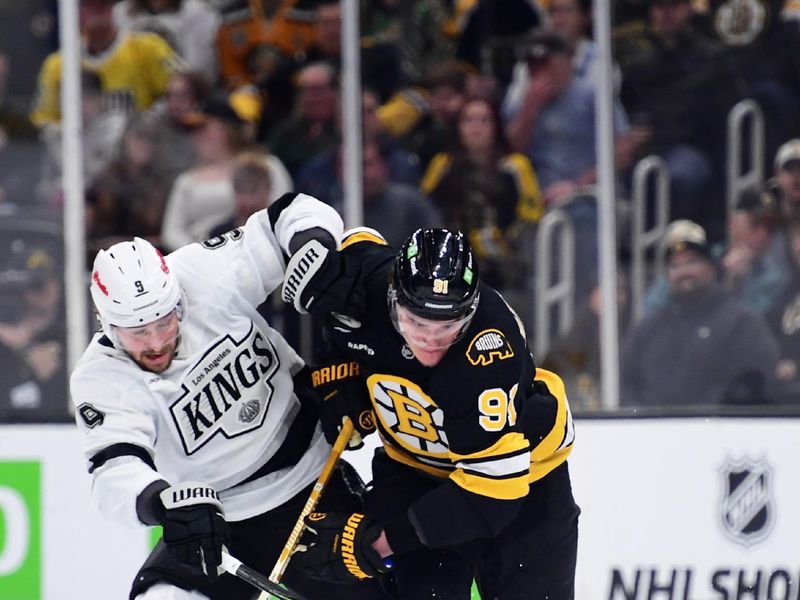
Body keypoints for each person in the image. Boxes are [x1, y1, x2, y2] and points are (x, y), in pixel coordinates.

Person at [69, 192, 390, 600]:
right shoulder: (100, 377)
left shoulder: (202, 272)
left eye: (164, 321)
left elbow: (287, 216)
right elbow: (113, 470)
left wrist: (315, 249)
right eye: (137, 331)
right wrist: (164, 504)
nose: (155, 342)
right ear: (107, 324)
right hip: (217, 522)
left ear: (176, 297)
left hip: (312, 482)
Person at [280, 227, 579, 599]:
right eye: (417, 323)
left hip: (523, 478)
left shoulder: (488, 348)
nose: (430, 341)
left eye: (448, 326)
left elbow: (493, 494)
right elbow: (359, 241)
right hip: (415, 471)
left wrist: (378, 543)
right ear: (393, 296)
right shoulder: (370, 280)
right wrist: (338, 374)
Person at [621, 219, 780, 407]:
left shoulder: (741, 323)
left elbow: (753, 380)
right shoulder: (647, 331)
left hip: (720, 430)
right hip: (651, 431)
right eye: (674, 265)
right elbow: (625, 384)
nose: (684, 272)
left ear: (711, 267)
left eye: (692, 261)